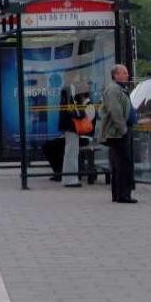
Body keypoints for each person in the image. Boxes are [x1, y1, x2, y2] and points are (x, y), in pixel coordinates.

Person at [98, 64, 137, 203]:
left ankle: (118, 194)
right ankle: (123, 195)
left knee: (119, 163)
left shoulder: (119, 89)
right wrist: (123, 130)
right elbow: (115, 112)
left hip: (119, 132)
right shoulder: (113, 89)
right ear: (116, 75)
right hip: (118, 133)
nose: (127, 74)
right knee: (123, 163)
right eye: (124, 72)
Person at [57, 83, 93, 187]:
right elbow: (75, 112)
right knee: (72, 153)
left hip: (68, 127)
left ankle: (67, 178)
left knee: (69, 153)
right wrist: (82, 113)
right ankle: (71, 180)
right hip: (71, 127)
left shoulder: (66, 93)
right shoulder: (70, 93)